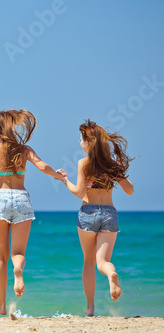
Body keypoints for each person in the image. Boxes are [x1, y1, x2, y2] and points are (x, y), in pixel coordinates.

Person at [0, 109, 63, 315]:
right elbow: (42, 165)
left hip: (0, 200)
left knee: (0, 257)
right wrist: (57, 175)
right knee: (17, 253)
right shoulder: (25, 149)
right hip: (21, 199)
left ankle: (2, 305)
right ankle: (18, 271)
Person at [56, 119, 134, 316]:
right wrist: (120, 170)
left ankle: (90, 308)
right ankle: (111, 274)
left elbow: (79, 191)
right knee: (102, 262)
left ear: (89, 142)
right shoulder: (112, 164)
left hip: (88, 213)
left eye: (81, 139)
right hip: (109, 213)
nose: (80, 143)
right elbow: (130, 191)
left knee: (89, 262)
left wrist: (65, 180)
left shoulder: (84, 163)